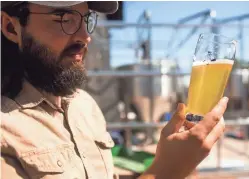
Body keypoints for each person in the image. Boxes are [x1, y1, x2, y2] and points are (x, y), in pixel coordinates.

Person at [1, 1, 228, 179]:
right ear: (11, 27)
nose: (85, 36)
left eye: (87, 20)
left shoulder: (84, 105)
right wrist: (167, 170)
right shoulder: (6, 131)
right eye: (63, 18)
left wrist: (177, 161)